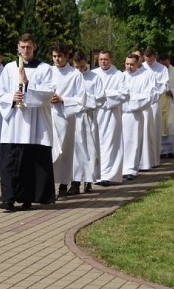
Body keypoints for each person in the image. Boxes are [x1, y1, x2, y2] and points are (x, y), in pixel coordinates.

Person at [0, 34, 57, 211]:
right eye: (22, 47)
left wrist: (28, 86)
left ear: (34, 47)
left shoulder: (44, 68)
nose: (25, 50)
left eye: (29, 47)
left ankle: (28, 198)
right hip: (13, 122)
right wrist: (11, 97)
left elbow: (48, 93)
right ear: (18, 47)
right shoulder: (9, 68)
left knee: (30, 162)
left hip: (34, 124)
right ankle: (8, 198)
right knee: (10, 162)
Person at [49, 43, 86, 198]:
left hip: (66, 116)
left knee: (65, 151)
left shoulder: (75, 75)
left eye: (60, 56)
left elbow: (81, 98)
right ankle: (48, 185)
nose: (57, 59)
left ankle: (64, 184)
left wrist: (63, 99)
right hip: (47, 115)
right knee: (49, 151)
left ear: (67, 56)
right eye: (54, 56)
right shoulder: (47, 71)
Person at [92, 50, 129, 186]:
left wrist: (105, 95)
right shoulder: (94, 74)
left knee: (110, 143)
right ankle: (97, 174)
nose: (103, 62)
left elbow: (125, 94)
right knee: (97, 143)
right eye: (101, 59)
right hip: (96, 113)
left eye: (106, 59)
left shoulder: (119, 75)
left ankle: (109, 175)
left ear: (111, 60)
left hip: (112, 113)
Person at [72, 50, 105, 193]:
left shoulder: (95, 78)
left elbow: (100, 98)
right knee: (74, 151)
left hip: (88, 117)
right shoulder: (71, 77)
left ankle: (88, 180)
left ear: (87, 63)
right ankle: (74, 182)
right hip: (74, 117)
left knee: (89, 149)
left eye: (82, 66)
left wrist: (85, 99)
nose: (79, 70)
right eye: (77, 67)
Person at [121, 54, 155, 181]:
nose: (129, 67)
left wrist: (130, 102)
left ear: (137, 64)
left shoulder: (144, 78)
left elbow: (147, 97)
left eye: (132, 64)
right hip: (121, 114)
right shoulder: (120, 76)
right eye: (127, 64)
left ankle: (131, 169)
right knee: (122, 141)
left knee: (133, 141)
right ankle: (121, 167)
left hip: (135, 114)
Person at [141, 46, 168, 169]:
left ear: (155, 57)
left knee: (154, 130)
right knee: (143, 130)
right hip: (142, 103)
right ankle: (142, 160)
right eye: (147, 60)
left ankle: (154, 159)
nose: (149, 63)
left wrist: (156, 94)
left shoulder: (162, 69)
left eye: (151, 61)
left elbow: (165, 86)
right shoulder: (141, 67)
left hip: (154, 103)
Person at [159, 55, 174, 159]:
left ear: (169, 60)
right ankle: (161, 152)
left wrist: (172, 91)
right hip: (160, 103)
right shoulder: (157, 72)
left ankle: (171, 151)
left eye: (166, 60)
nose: (164, 63)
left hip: (171, 104)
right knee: (160, 127)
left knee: (170, 126)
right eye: (162, 61)